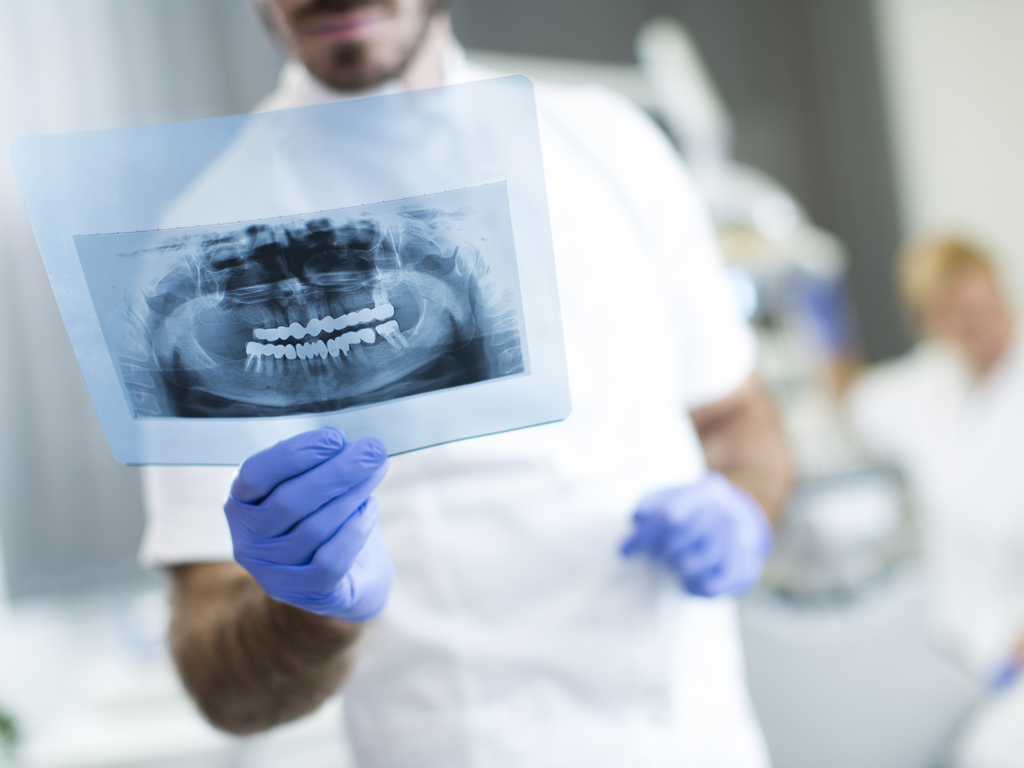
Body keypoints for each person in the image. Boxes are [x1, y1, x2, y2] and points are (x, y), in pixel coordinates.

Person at [143, 0, 792, 765]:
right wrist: (309, 613)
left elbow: (738, 419)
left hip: (694, 737)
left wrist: (743, 506)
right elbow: (224, 684)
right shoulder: (206, 256)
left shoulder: (610, 145)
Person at [846, 235, 1024, 767]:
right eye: (958, 319)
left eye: (984, 308)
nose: (980, 329)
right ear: (930, 326)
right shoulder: (932, 387)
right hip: (965, 646)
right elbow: (853, 402)